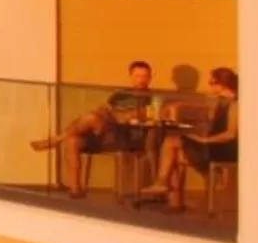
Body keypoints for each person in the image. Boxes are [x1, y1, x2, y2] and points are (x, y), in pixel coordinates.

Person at [32, 60, 156, 198]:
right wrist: (111, 115)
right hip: (103, 133)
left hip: (124, 137)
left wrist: (117, 115)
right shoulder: (120, 95)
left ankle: (55, 140)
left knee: (91, 117)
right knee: (73, 140)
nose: (141, 80)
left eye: (145, 76)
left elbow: (137, 116)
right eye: (138, 76)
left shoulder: (152, 98)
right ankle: (76, 189)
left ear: (150, 78)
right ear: (131, 77)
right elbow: (104, 109)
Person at [153, 67, 236, 211]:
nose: (210, 86)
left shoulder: (235, 104)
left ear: (221, 83)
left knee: (172, 143)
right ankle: (172, 198)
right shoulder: (219, 101)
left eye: (212, 82)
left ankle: (163, 184)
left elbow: (230, 134)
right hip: (213, 145)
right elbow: (206, 112)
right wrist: (179, 105)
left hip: (225, 148)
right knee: (173, 152)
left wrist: (204, 140)